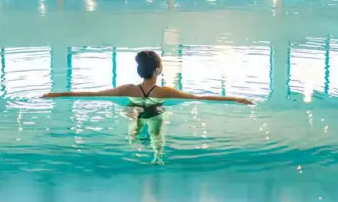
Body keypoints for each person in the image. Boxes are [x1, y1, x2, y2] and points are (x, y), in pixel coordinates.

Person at [42, 50, 253, 163]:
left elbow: (91, 94)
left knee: (132, 114)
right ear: (158, 71)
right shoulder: (164, 92)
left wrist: (57, 94)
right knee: (158, 128)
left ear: (139, 70)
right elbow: (199, 97)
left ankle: (134, 132)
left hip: (133, 105)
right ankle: (157, 157)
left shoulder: (128, 89)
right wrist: (235, 98)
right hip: (156, 109)